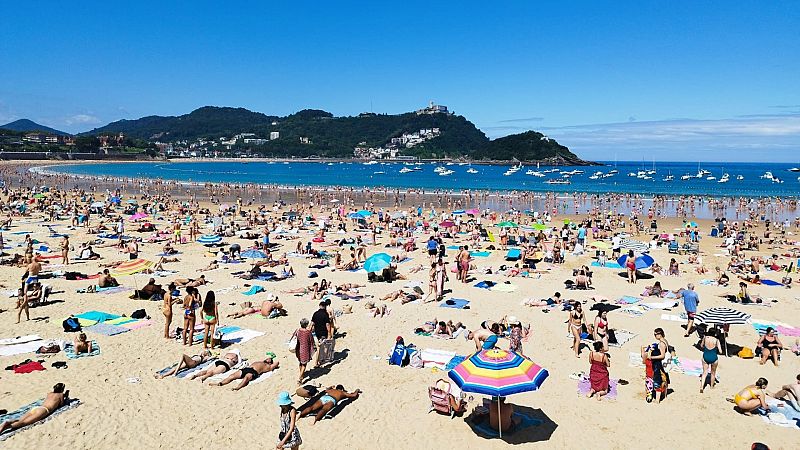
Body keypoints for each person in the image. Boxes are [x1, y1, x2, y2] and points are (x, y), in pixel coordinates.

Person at [0, 383, 68, 435]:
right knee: (23, 423)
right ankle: (5, 427)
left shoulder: (49, 393)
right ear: (62, 390)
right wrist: (65, 396)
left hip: (37, 408)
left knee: (20, 420)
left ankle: (8, 422)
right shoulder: (60, 395)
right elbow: (61, 405)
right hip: (44, 410)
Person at [211, 357, 279, 390]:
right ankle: (221, 383)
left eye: (269, 359)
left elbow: (277, 363)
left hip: (254, 371)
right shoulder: (261, 362)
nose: (268, 358)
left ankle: (238, 387)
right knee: (232, 376)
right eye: (267, 358)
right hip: (247, 369)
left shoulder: (268, 366)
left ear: (270, 362)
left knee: (246, 378)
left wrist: (272, 359)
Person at [646, 328, 671, 403]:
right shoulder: (665, 341)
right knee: (664, 378)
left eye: (655, 334)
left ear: (659, 334)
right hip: (662, 364)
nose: (655, 336)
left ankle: (657, 400)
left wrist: (652, 357)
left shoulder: (661, 344)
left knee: (658, 380)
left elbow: (662, 356)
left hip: (659, 364)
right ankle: (664, 394)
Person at [293, 318, 316, 384]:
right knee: (304, 364)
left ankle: (302, 374)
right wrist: (314, 348)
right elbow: (312, 341)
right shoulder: (308, 332)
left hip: (298, 348)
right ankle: (300, 378)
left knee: (300, 362)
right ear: (306, 324)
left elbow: (294, 338)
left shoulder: (297, 330)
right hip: (305, 349)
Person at [700, 327, 721, 393]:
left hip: (705, 356)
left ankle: (701, 387)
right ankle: (711, 386)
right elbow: (720, 351)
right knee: (713, 373)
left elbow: (701, 345)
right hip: (713, 357)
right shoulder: (716, 340)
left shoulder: (705, 337)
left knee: (704, 372)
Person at [310, 302, 332, 367]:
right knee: (321, 347)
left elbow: (312, 323)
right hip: (323, 333)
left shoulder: (315, 313)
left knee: (320, 347)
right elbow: (327, 325)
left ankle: (320, 360)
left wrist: (308, 331)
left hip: (317, 333)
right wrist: (329, 333)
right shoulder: (325, 314)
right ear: (325, 307)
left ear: (319, 306)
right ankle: (317, 362)